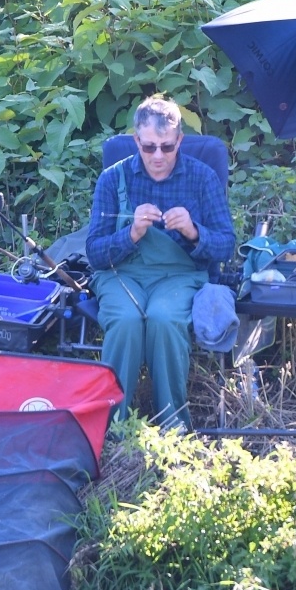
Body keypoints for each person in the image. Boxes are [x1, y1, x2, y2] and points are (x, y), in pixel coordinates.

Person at [86, 95, 236, 428]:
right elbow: (94, 253)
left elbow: (227, 246)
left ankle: (172, 424)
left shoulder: (202, 177)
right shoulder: (113, 179)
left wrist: (195, 232)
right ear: (136, 140)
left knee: (164, 319)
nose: (157, 156)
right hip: (121, 274)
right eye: (149, 146)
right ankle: (113, 427)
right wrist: (130, 234)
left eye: (167, 147)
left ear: (179, 140)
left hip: (180, 276)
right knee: (125, 320)